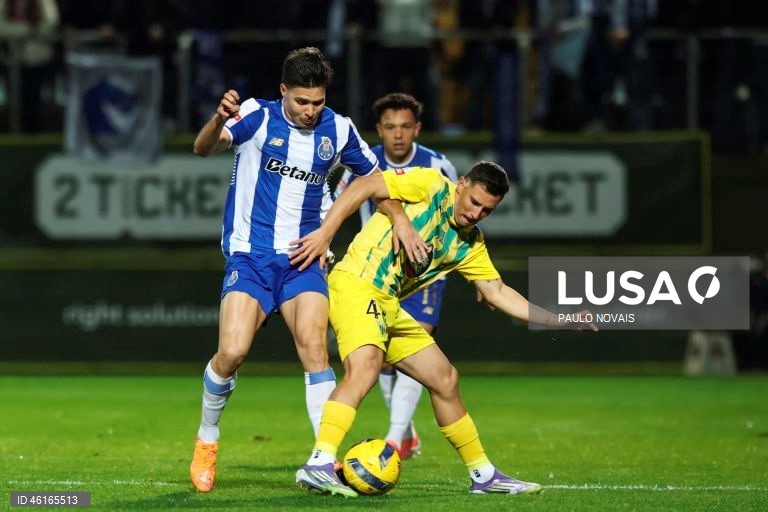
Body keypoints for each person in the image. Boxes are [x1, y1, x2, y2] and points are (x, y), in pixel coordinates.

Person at [188, 46, 428, 493]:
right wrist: (218, 119)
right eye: (301, 101)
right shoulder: (257, 116)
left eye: (318, 101)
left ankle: (323, 461)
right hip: (250, 256)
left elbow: (376, 180)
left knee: (315, 349)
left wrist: (400, 220)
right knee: (233, 352)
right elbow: (203, 149)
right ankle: (208, 436)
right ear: (283, 91)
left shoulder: (339, 129)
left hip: (304, 258)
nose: (310, 110)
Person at [289, 161, 597, 497]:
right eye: (474, 202)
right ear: (461, 184)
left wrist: (559, 320)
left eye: (487, 210)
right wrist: (328, 234)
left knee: (445, 378)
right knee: (365, 368)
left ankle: (483, 476)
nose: (476, 213)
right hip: (356, 285)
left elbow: (497, 292)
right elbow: (365, 185)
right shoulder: (431, 184)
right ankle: (319, 462)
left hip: (389, 303)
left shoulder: (470, 243)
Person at [335, 92, 458, 460]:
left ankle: (393, 440)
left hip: (423, 270)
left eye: (405, 127)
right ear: (379, 129)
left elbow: (459, 215)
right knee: (387, 358)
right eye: (390, 127)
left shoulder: (439, 165)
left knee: (418, 340)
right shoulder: (363, 164)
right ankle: (405, 432)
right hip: (378, 273)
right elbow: (335, 203)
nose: (398, 134)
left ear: (417, 128)